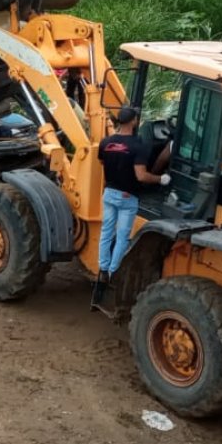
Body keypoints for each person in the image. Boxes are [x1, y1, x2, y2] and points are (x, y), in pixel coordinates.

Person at [93, 107, 170, 303]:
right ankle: (113, 272)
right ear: (134, 121)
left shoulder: (106, 142)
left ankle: (102, 268)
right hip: (128, 197)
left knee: (106, 231)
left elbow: (103, 163)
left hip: (109, 193)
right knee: (122, 236)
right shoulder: (138, 145)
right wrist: (161, 179)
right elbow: (141, 175)